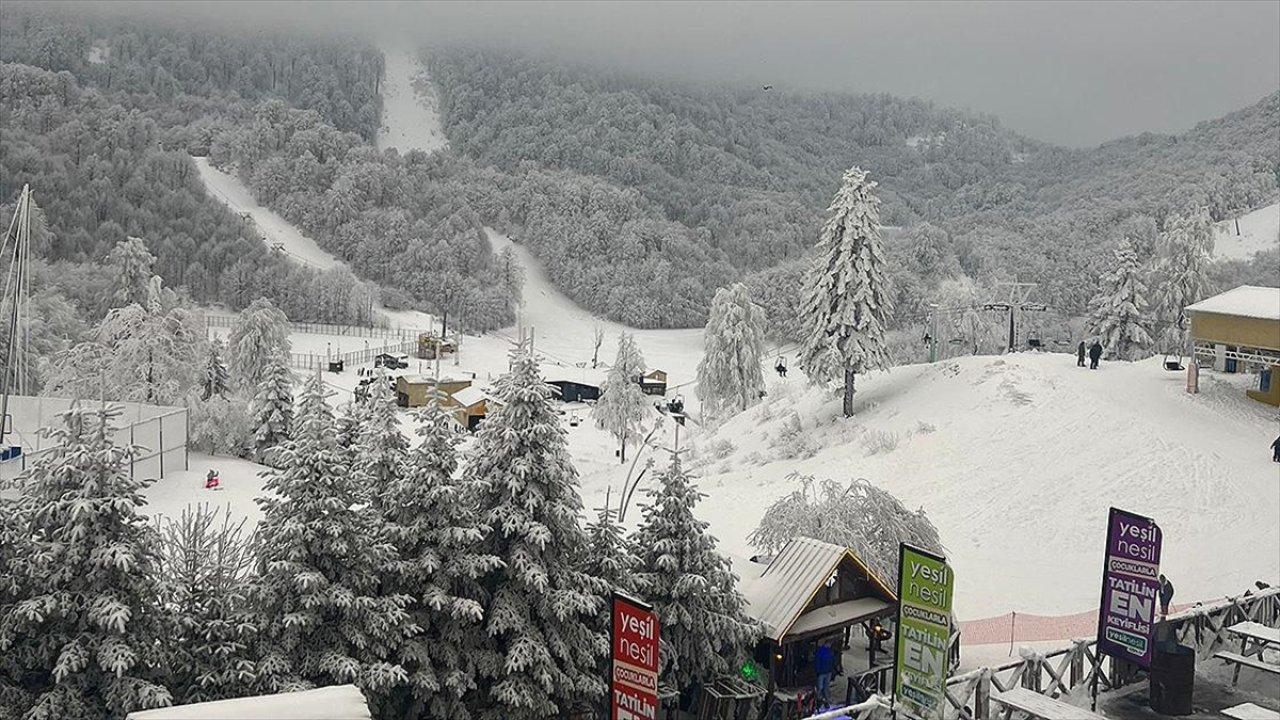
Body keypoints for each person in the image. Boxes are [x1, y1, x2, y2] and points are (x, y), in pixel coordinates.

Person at [814, 640, 835, 706]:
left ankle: (821, 699)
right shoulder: (828, 652)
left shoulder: (822, 651)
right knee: (823, 686)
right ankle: (821, 699)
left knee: (822, 686)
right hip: (825, 671)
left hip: (824, 672)